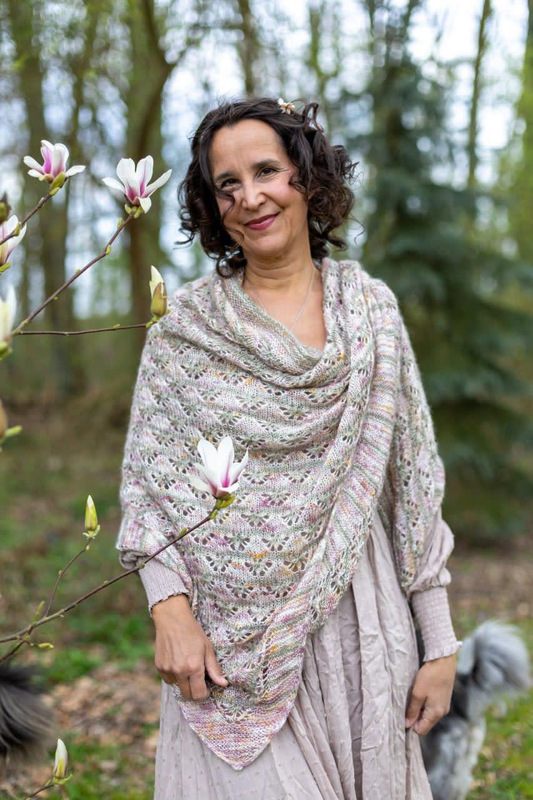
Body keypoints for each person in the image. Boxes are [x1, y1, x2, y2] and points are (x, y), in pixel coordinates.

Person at [116, 97, 460, 800]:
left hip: (362, 627)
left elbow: (413, 482)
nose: (249, 198)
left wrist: (440, 642)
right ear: (212, 207)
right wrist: (167, 609)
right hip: (224, 638)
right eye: (227, 184)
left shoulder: (371, 313)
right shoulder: (184, 331)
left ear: (307, 177)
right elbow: (151, 485)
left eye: (266, 171)